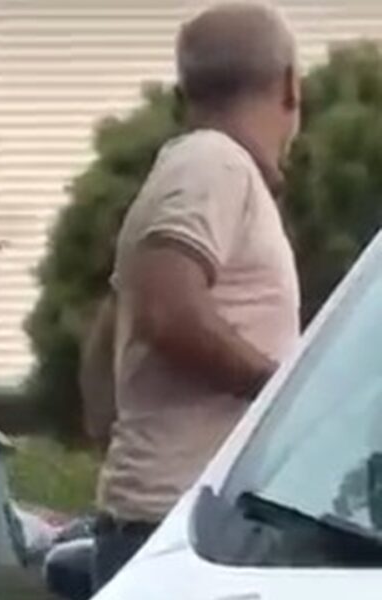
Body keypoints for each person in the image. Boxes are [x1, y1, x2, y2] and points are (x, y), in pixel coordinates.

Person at [91, 2, 302, 590]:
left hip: (163, 521)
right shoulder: (214, 163)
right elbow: (167, 312)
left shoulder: (195, 168)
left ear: (184, 93)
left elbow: (108, 340)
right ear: (290, 85)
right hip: (187, 534)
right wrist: (286, 401)